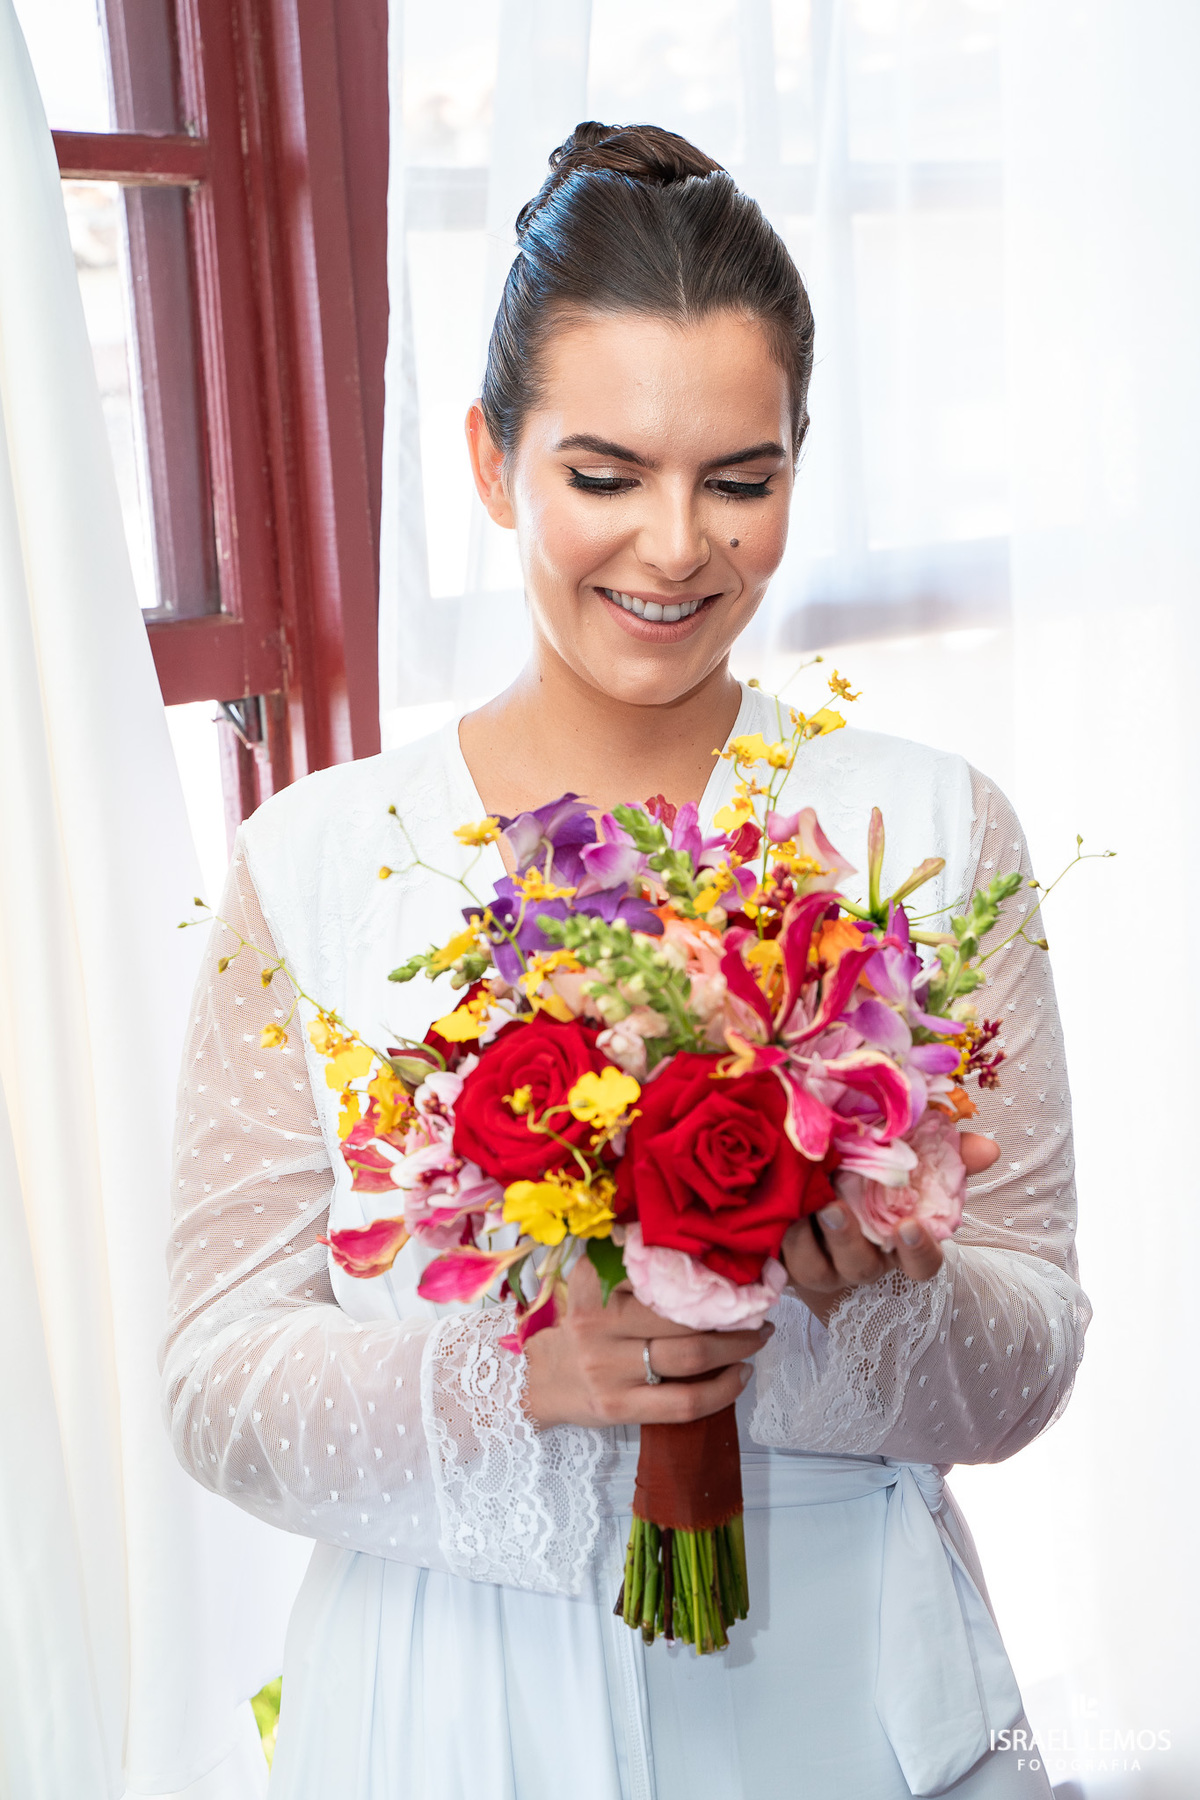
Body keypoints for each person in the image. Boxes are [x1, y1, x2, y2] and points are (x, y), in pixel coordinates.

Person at [162, 123, 1089, 1799]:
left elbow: (1033, 1345)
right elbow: (214, 1375)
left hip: (845, 1690)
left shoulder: (930, 831)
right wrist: (515, 1382)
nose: (675, 547)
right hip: (451, 1703)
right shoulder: (317, 861)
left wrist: (863, 1296)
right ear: (490, 459)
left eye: (740, 479)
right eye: (605, 476)